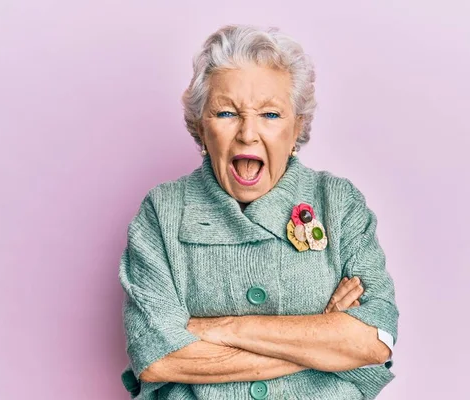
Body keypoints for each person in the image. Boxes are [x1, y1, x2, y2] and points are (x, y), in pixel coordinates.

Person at [118, 24, 399, 400]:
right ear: (201, 127)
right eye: (226, 113)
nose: (248, 134)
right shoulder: (162, 211)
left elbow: (374, 339)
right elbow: (158, 358)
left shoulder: (338, 203)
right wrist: (323, 340)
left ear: (297, 127)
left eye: (270, 114)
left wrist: (220, 328)